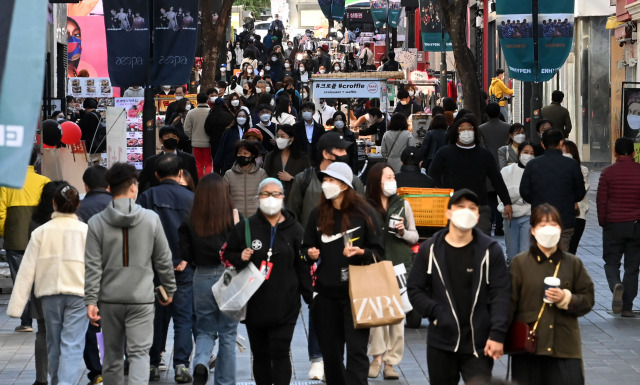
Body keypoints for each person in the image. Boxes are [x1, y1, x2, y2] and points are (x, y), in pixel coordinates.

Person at [407, 189, 511, 385]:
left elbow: (501, 294)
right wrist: (436, 311)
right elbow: (414, 289)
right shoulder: (430, 249)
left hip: (479, 344)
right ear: (448, 213)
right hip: (441, 342)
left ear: (478, 215)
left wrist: (497, 334)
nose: (466, 211)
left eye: (472, 208)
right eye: (460, 207)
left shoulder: (490, 250)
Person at [85, 162, 176, 385]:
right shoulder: (151, 219)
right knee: (139, 354)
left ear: (109, 188)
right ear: (134, 187)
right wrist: (169, 288)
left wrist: (90, 299)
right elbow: (163, 260)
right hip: (142, 299)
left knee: (112, 357)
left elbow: (92, 265)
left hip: (109, 300)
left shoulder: (96, 223)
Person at [302, 162, 385, 385]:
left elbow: (379, 252)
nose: (327, 185)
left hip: (358, 293)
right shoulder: (317, 213)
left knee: (357, 352)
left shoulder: (364, 213)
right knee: (331, 353)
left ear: (345, 185)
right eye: (325, 180)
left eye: (332, 180)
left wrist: (363, 252)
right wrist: (309, 253)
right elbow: (304, 247)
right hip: (325, 292)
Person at [226, 178, 313, 385]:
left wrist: (311, 297)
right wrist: (241, 257)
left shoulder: (295, 230)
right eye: (265, 194)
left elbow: (302, 266)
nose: (270, 198)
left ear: (283, 197)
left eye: (275, 194)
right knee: (261, 354)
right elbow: (228, 253)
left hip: (286, 305)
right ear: (258, 198)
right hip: (255, 303)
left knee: (281, 351)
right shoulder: (246, 227)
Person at [8, 184, 89, 385]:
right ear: (78, 205)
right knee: (72, 344)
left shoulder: (41, 232)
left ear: (54, 204)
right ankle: (64, 383)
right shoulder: (86, 230)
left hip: (49, 294)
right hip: (79, 293)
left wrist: (16, 307)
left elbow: (26, 270)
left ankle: (57, 382)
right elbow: (97, 266)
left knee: (53, 343)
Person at [508, 204, 594, 385]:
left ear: (561, 230)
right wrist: (498, 337)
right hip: (528, 348)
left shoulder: (572, 263)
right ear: (533, 230)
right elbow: (508, 303)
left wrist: (566, 299)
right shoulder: (520, 263)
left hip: (564, 347)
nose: (548, 230)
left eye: (553, 225)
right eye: (542, 225)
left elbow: (588, 299)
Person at [137, 155, 195, 383]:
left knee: (153, 317)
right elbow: (197, 233)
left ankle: (152, 363)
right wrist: (187, 259)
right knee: (183, 317)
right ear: (180, 174)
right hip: (183, 267)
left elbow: (140, 234)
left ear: (157, 175)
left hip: (154, 269)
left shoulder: (147, 197)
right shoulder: (191, 197)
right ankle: (181, 364)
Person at [178, 173, 240, 385]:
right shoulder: (233, 218)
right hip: (229, 275)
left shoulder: (190, 220)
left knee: (205, 329)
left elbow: (185, 254)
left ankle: (201, 362)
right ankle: (224, 382)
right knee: (228, 334)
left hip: (202, 275)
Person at [364, 163, 418, 380]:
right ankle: (377, 357)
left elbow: (415, 236)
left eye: (392, 177)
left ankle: (391, 362)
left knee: (396, 317)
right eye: (387, 177)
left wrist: (403, 232)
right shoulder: (364, 206)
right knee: (376, 315)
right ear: (376, 181)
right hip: (374, 265)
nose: (392, 181)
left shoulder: (403, 204)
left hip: (398, 265)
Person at [428, 114, 513, 235]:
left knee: (482, 245)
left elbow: (496, 179)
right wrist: (442, 192)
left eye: (469, 128)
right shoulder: (444, 153)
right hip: (453, 207)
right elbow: (432, 174)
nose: (466, 132)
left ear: (475, 132)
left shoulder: (484, 154)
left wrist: (507, 202)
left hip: (480, 208)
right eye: (462, 129)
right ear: (456, 133)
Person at [0, 148, 50, 333]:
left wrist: (7, 231)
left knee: (20, 279)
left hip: (16, 238)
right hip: (42, 238)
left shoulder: (7, 183)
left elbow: (1, 213)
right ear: (35, 160)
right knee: (42, 277)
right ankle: (44, 318)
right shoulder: (44, 182)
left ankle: (26, 321)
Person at [519, 130, 585, 251]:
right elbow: (580, 193)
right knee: (561, 259)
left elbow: (524, 191)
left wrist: (536, 200)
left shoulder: (532, 164)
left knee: (542, 257)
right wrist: (570, 199)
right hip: (564, 220)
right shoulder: (572, 165)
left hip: (540, 219)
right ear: (561, 143)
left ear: (543, 144)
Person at [596, 137, 640, 317]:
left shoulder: (607, 173)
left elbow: (601, 200)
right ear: (634, 153)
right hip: (637, 225)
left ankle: (615, 285)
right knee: (632, 267)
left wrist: (603, 222)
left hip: (614, 225)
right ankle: (627, 307)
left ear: (614, 152)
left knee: (611, 262)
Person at [289, 132, 365, 228]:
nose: (345, 154)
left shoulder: (353, 182)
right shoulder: (303, 179)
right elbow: (292, 216)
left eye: (345, 150)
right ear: (326, 154)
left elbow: (361, 217)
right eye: (340, 150)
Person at [479, 102, 512, 237]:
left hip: (488, 166)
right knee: (503, 197)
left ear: (486, 114)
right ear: (499, 112)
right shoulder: (508, 128)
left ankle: (489, 223)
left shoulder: (481, 129)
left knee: (491, 199)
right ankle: (500, 226)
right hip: (504, 165)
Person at [498, 141, 534, 261]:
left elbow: (535, 195)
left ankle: (524, 278)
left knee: (525, 253)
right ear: (519, 153)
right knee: (512, 254)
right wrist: (522, 194)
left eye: (532, 153)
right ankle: (513, 278)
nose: (528, 155)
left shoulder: (536, 171)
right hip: (510, 216)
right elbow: (502, 195)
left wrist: (513, 194)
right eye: (526, 152)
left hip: (529, 216)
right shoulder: (507, 171)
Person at [138, 126, 199, 192]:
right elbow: (141, 183)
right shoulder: (151, 162)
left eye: (174, 137)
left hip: (183, 197)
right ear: (161, 140)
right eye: (167, 136)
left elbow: (194, 181)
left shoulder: (189, 159)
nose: (171, 138)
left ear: (178, 139)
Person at [263, 124, 311, 203]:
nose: (279, 139)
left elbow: (308, 179)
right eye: (278, 136)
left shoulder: (302, 157)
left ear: (291, 139)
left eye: (283, 136)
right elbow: (265, 177)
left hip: (295, 200)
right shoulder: (270, 156)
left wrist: (292, 179)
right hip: (274, 199)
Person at [223, 140, 268, 217]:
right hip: (235, 218)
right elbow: (223, 197)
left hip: (256, 219)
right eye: (239, 153)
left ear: (252, 155)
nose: (241, 155)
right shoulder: (229, 174)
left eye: (245, 153)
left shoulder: (261, 174)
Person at [562, 140, 589, 254]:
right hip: (559, 215)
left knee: (571, 250)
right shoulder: (555, 170)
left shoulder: (582, 170)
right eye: (561, 152)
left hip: (578, 215)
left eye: (567, 152)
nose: (564, 155)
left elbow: (581, 189)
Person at [215, 108, 253, 174]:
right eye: (239, 116)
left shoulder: (250, 132)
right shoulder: (229, 131)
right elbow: (221, 148)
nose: (241, 118)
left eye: (243, 116)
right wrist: (217, 165)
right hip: (230, 165)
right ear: (236, 118)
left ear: (247, 118)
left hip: (246, 166)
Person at [184, 93, 212, 178]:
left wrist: (193, 137)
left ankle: (199, 182)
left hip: (196, 143)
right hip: (209, 143)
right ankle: (207, 182)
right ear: (207, 100)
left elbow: (186, 129)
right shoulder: (211, 112)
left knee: (198, 164)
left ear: (197, 100)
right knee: (208, 164)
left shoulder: (191, 112)